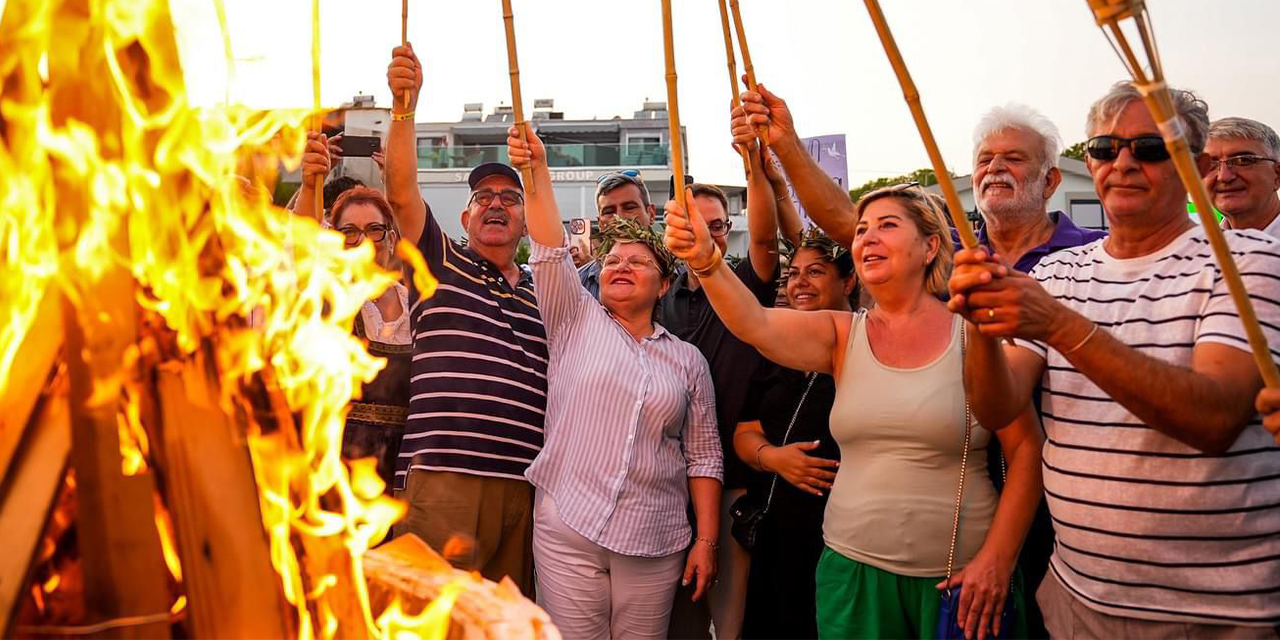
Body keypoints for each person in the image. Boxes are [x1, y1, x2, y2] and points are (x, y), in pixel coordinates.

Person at [948, 82, 1280, 637]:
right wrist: (980, 325)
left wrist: (1058, 324)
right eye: (1105, 148)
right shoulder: (1057, 273)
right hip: (1079, 598)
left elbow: (1214, 419)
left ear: (1196, 168)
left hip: (1221, 613)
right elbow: (997, 406)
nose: (1122, 162)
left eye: (1148, 149)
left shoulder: (1248, 261)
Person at [665, 183, 1042, 640]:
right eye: (861, 230)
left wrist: (997, 561)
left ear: (931, 246)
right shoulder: (845, 334)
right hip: (851, 572)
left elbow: (1026, 450)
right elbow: (754, 323)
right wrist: (707, 261)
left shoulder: (978, 332)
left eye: (887, 225)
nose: (867, 238)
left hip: (961, 579)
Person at [508, 125, 723, 640]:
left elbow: (705, 456)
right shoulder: (572, 317)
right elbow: (548, 249)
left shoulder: (688, 360)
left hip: (655, 535)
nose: (620, 266)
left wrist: (707, 542)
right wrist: (534, 172)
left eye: (638, 261)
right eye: (611, 261)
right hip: (568, 527)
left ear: (665, 282)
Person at [384, 43, 547, 596]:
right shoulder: (441, 261)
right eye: (483, 197)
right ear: (465, 217)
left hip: (524, 490)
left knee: (505, 625)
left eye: (510, 197)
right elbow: (402, 194)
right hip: (444, 481)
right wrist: (404, 107)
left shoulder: (549, 294)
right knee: (434, 621)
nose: (496, 204)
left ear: (526, 220)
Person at [658, 142, 797, 640]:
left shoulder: (744, 285)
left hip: (735, 478)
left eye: (717, 225)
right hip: (669, 485)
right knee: (677, 621)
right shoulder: (658, 295)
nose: (706, 232)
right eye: (696, 221)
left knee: (731, 620)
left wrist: (754, 167)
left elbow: (764, 238)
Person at [732, 230, 855, 640]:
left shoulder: (869, 347)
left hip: (842, 541)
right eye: (792, 273)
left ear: (849, 282)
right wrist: (773, 458)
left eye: (815, 272)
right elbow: (745, 431)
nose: (799, 282)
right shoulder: (773, 350)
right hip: (775, 535)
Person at [578, 170, 657, 298]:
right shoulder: (578, 285)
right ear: (600, 223)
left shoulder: (683, 279)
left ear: (651, 214)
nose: (619, 218)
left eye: (630, 207)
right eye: (609, 212)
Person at [1204, 116, 1280, 237]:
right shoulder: (1196, 249)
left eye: (1242, 160)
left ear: (1277, 174)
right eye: (1210, 164)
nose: (1224, 177)